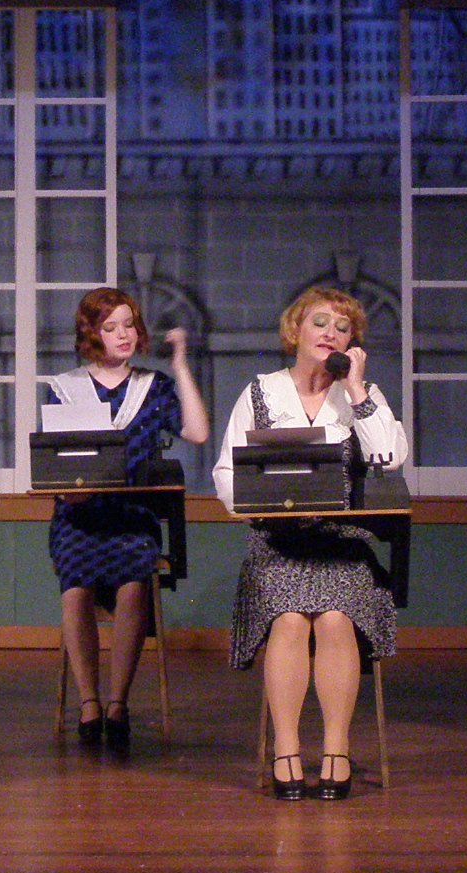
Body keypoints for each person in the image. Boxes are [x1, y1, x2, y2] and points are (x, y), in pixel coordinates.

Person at [212, 286, 406, 801]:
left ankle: (337, 748)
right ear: (295, 330)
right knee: (291, 618)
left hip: (341, 544)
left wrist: (357, 390)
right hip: (278, 543)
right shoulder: (260, 392)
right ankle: (287, 749)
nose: (330, 334)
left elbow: (388, 458)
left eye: (342, 328)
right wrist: (253, 504)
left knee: (337, 617)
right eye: (319, 323)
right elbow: (226, 472)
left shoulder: (361, 395)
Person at [43, 287, 209, 754]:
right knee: (76, 586)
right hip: (79, 514)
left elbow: (197, 432)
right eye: (110, 326)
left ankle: (118, 703)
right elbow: (56, 459)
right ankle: (89, 701)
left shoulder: (152, 387)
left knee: (134, 582)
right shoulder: (65, 386)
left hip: (132, 515)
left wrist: (179, 365)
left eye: (129, 324)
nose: (123, 334)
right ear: (91, 333)